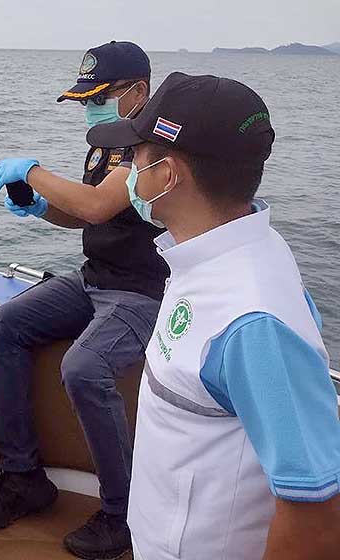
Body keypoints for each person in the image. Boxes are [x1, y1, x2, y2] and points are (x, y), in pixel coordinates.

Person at [87, 72, 340, 559]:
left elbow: (316, 512)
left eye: (135, 156)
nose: (128, 170)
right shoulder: (221, 252)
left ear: (166, 174)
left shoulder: (253, 320)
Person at [0, 41, 169, 559]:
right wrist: (39, 208)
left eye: (100, 97)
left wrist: (33, 172)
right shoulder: (105, 147)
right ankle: (23, 477)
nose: (91, 108)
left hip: (141, 291)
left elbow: (98, 205)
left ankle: (125, 513)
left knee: (84, 368)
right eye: (85, 101)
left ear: (139, 92)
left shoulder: (153, 150)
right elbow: (84, 216)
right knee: (5, 325)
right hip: (95, 278)